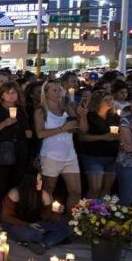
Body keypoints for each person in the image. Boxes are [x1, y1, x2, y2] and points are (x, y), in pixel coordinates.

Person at [34, 81, 83, 214]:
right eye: (54, 90)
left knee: (76, 191)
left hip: (69, 154)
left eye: (59, 90)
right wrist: (62, 128)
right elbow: (40, 133)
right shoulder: (41, 111)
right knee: (48, 189)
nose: (57, 93)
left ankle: (71, 221)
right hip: (50, 155)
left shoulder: (67, 108)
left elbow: (77, 129)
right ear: (46, 92)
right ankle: (48, 217)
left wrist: (81, 116)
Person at [0, 82, 29, 222]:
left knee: (15, 182)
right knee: (0, 183)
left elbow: (25, 128)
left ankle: (10, 212)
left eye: (14, 92)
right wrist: (5, 123)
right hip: (2, 150)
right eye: (8, 93)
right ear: (2, 95)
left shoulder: (21, 110)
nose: (11, 95)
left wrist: (28, 132)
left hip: (19, 149)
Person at [1, 169, 72, 252]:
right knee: (35, 234)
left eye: (41, 179)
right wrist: (28, 224)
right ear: (29, 182)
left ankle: (41, 244)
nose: (41, 182)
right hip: (17, 225)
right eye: (39, 180)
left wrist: (55, 212)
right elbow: (6, 217)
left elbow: (49, 219)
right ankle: (46, 240)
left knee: (67, 227)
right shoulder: (15, 193)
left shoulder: (44, 195)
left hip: (37, 225)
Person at [78, 90, 121, 198]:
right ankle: (88, 212)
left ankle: (102, 212)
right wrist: (102, 137)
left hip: (112, 155)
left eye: (111, 99)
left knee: (107, 188)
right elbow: (82, 136)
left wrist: (119, 137)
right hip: (93, 155)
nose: (109, 102)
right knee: (95, 188)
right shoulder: (89, 116)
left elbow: (122, 133)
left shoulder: (115, 117)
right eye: (106, 100)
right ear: (97, 102)